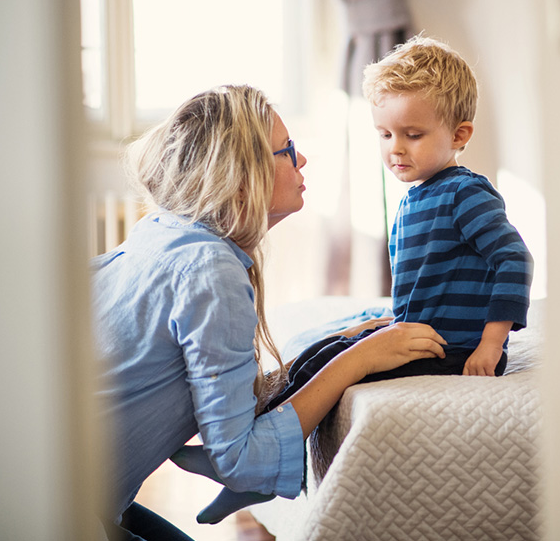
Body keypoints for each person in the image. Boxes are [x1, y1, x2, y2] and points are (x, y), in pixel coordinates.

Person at [188, 35, 533, 523]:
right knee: (319, 353)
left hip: (454, 348)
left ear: (459, 135)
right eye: (385, 134)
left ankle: (252, 474)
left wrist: (491, 345)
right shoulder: (418, 195)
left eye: (412, 134)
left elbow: (513, 260)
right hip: (422, 332)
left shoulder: (465, 193)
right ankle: (245, 448)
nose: (396, 149)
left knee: (338, 371)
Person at [91, 84, 447, 540]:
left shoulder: (161, 232)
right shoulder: (210, 270)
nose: (302, 161)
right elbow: (239, 457)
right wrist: (362, 359)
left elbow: (225, 389)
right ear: (241, 177)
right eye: (288, 150)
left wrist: (339, 345)